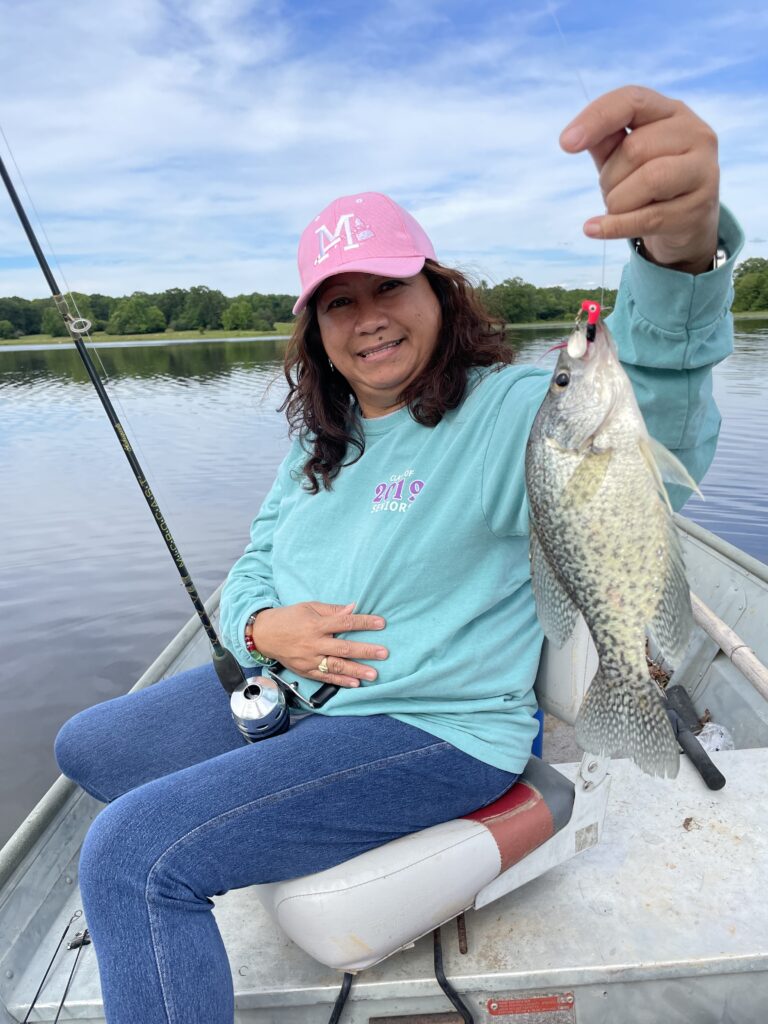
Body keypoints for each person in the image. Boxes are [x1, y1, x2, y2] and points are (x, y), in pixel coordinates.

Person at [54, 85, 743, 1024]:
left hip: (433, 730)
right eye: (340, 302)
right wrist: (263, 628)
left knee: (132, 855)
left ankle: (225, 837)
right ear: (315, 331)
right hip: (294, 696)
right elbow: (255, 560)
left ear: (438, 291)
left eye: (389, 286)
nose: (368, 317)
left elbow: (650, 419)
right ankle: (268, 800)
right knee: (85, 746)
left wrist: (680, 255)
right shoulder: (317, 442)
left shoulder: (512, 410)